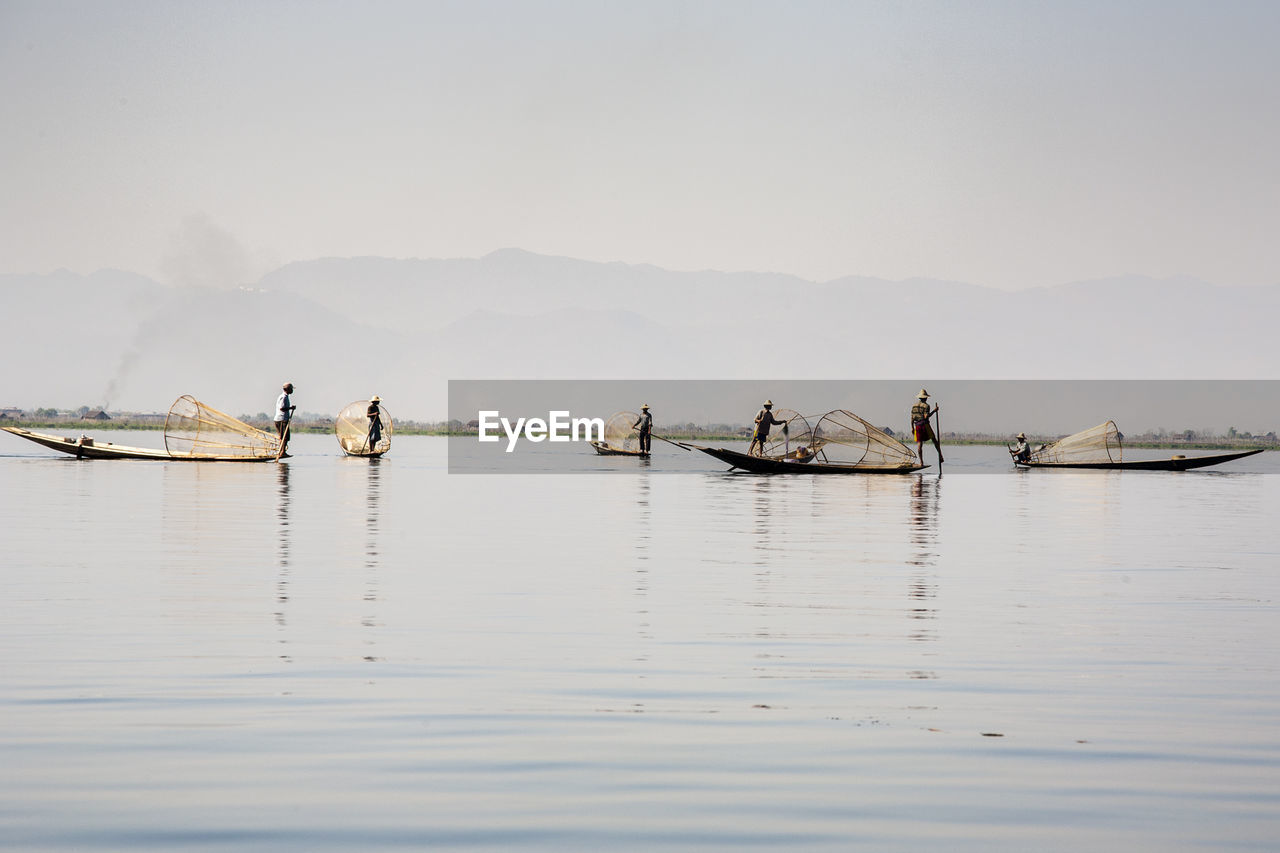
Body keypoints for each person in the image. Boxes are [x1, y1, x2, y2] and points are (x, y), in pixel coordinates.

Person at [910, 388, 943, 465]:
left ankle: (921, 462)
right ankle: (940, 456)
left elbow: (912, 418)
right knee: (934, 440)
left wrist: (912, 428)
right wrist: (934, 411)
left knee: (919, 444)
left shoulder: (914, 406)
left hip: (917, 426)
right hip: (924, 425)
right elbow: (926, 416)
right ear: (925, 398)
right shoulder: (926, 406)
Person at [274, 382, 296, 451]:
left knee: (282, 437)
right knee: (285, 437)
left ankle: (281, 451)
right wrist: (291, 408)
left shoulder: (284, 396)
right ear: (288, 389)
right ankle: (282, 451)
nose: (292, 390)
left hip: (280, 419)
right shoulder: (284, 397)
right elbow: (282, 408)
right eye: (291, 389)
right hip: (282, 419)